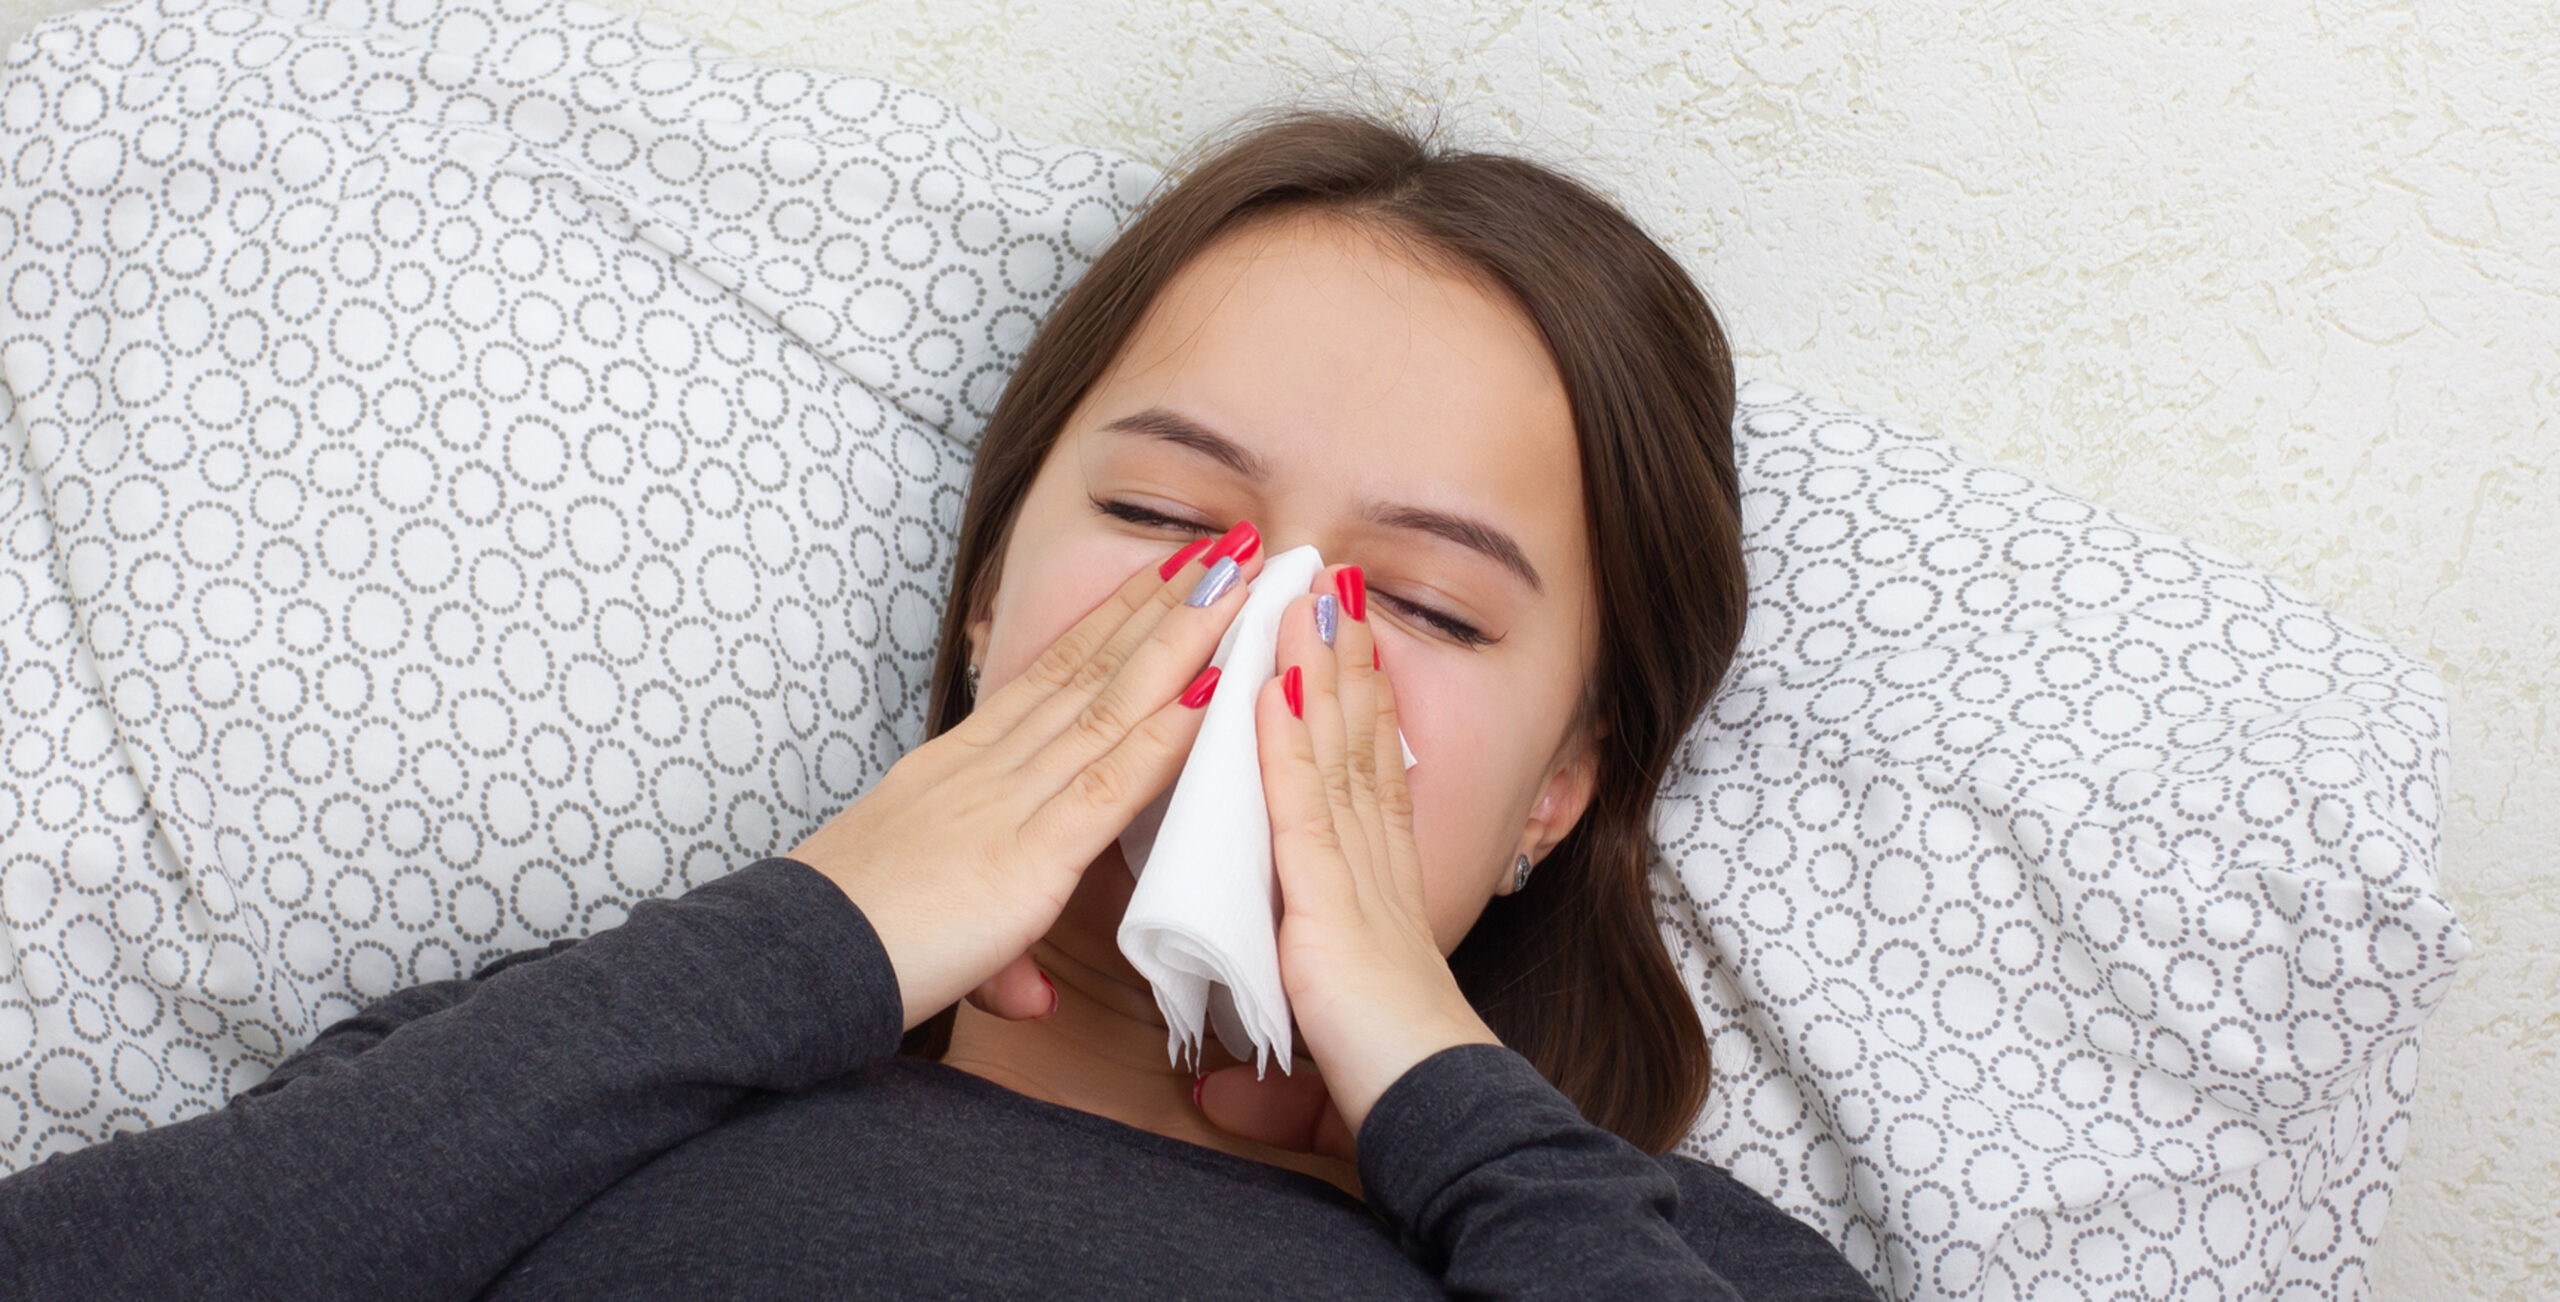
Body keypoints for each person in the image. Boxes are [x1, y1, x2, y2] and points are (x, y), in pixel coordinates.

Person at [0, 111, 1877, 1299]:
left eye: (1420, 603)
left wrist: (1421, 1060)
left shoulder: (1651, 1248)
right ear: (991, 595)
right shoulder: (586, 1067)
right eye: (1163, 522)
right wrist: (803, 941)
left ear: (1561, 785)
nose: (1254, 654)